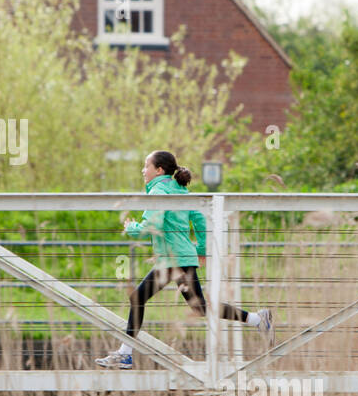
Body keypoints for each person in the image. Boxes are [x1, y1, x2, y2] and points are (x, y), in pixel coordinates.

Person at [96, 150, 274, 369]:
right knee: (198, 307)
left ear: (159, 170)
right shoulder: (181, 190)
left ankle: (125, 354)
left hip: (173, 260)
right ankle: (257, 319)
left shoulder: (159, 191)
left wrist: (131, 227)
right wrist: (199, 250)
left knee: (138, 299)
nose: (143, 170)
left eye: (146, 166)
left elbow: (152, 226)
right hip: (180, 258)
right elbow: (200, 221)